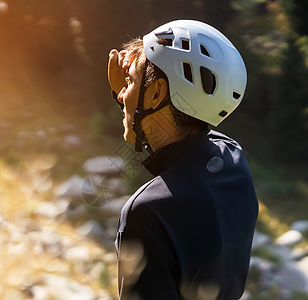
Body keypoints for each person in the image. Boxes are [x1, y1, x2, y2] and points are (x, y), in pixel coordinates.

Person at [107, 20, 258, 300]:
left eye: (129, 83)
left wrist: (135, 108)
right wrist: (134, 101)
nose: (122, 93)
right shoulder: (233, 158)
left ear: (157, 93)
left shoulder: (148, 213)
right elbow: (187, 125)